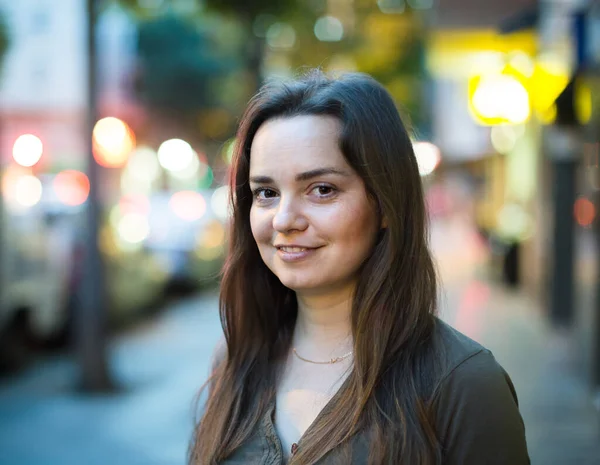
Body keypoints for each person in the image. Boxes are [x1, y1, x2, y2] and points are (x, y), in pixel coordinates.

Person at [189, 70, 529, 465]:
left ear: (384, 202)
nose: (284, 220)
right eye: (266, 193)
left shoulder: (463, 383)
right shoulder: (236, 362)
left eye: (322, 190)